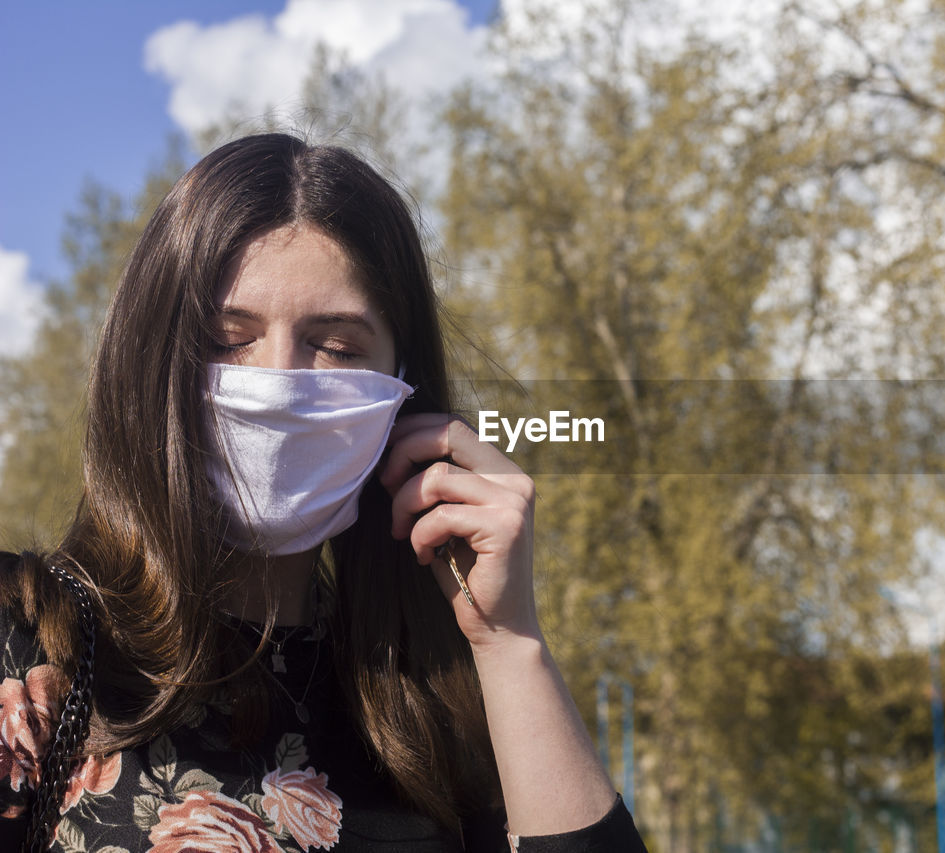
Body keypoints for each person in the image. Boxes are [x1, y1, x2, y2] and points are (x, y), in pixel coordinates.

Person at [0, 133, 647, 852]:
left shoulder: (434, 700)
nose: (280, 380)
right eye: (224, 338)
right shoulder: (24, 644)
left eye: (336, 346)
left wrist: (510, 643)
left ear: (400, 389)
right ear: (148, 362)